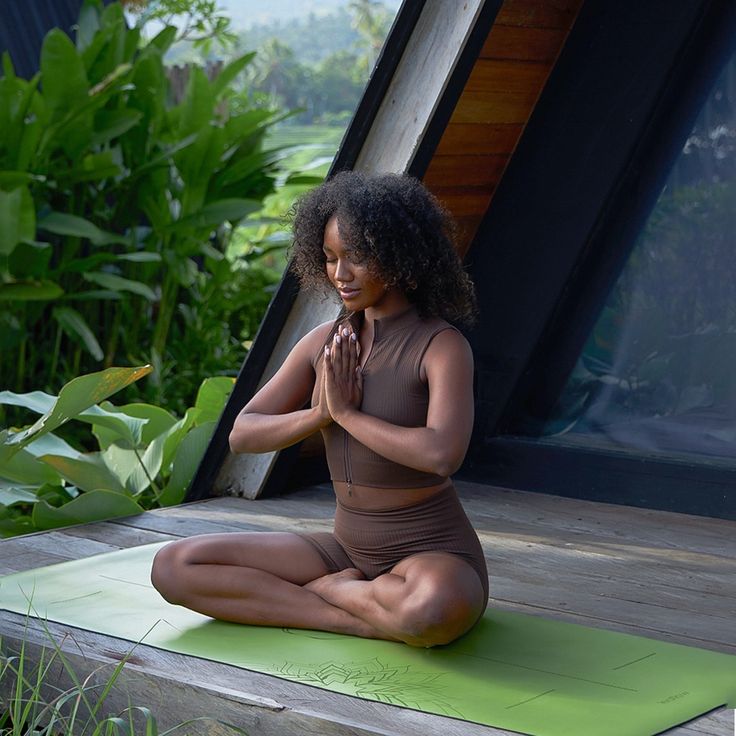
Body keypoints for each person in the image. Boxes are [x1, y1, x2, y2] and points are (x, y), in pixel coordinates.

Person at [151, 171, 488, 647]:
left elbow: (441, 455)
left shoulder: (441, 345)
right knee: (174, 566)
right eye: (330, 259)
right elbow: (242, 433)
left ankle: (344, 599)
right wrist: (321, 415)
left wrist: (350, 416)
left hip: (428, 549)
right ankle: (350, 610)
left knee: (433, 608)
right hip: (345, 545)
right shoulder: (323, 343)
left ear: (400, 256)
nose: (340, 274)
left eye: (358, 257)